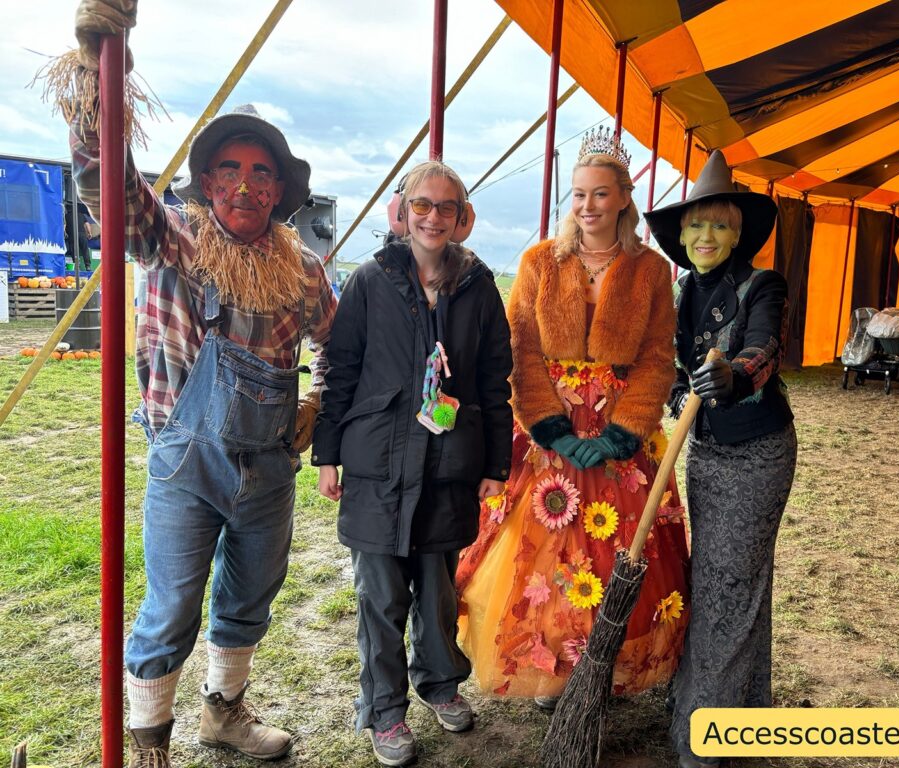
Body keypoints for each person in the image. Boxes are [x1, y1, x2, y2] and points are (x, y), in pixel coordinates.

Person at [54, 4, 337, 764]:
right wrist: (97, 71)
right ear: (207, 181)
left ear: (278, 190)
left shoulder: (305, 270)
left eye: (261, 173)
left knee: (248, 598)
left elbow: (340, 345)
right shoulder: (172, 240)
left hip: (270, 465)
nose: (245, 185)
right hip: (185, 462)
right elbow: (104, 183)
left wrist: (319, 400)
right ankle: (150, 741)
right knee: (173, 603)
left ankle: (224, 714)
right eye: (230, 170)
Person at [456, 128, 690, 708]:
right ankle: (553, 665)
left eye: (601, 194)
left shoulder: (651, 270)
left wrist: (621, 434)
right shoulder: (539, 261)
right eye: (579, 194)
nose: (588, 206)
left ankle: (605, 663)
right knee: (547, 548)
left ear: (624, 199)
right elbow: (520, 348)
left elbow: (658, 357)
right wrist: (550, 427)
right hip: (550, 426)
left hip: (620, 429)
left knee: (617, 551)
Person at [311, 161, 513, 767]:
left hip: (450, 463)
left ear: (462, 218)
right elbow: (340, 369)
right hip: (377, 462)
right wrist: (327, 454)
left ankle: (440, 682)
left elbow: (494, 380)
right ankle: (384, 710)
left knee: (437, 590)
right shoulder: (370, 280)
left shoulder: (478, 288)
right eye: (422, 204)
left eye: (446, 207)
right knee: (379, 597)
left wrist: (496, 462)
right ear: (402, 211)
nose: (432, 217)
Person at [645, 150, 797, 768]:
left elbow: (764, 349)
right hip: (705, 453)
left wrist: (733, 376)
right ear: (682, 236)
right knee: (727, 581)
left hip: (758, 454)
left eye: (719, 225)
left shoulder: (763, 285)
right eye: (695, 225)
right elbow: (675, 363)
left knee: (728, 585)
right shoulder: (683, 289)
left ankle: (701, 733)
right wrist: (676, 388)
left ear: (737, 235)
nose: (706, 236)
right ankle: (743, 711)